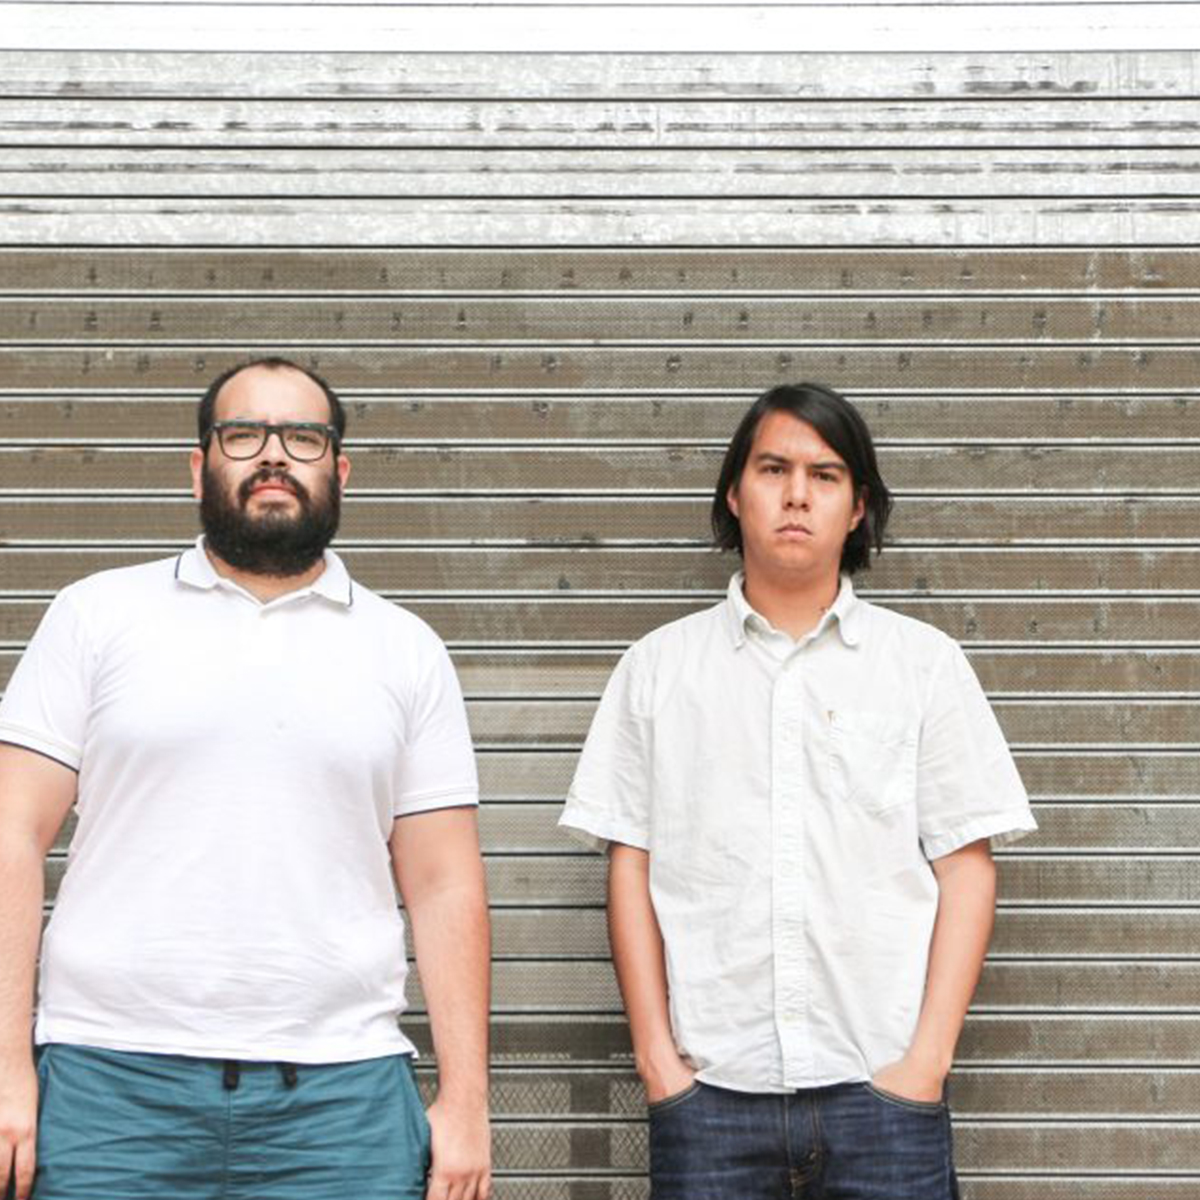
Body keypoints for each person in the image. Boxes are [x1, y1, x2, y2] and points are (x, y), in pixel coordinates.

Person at [0, 357, 491, 1200]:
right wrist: (7, 1065)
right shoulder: (96, 616)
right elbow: (11, 832)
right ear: (201, 467)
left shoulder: (406, 649)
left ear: (338, 471)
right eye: (243, 434)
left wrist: (468, 1102)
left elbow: (444, 883)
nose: (273, 455)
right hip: (109, 1088)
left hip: (342, 1099)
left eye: (302, 437)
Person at [559, 382, 1036, 1199]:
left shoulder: (922, 666)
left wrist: (926, 1063)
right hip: (710, 1099)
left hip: (882, 1098)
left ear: (857, 508)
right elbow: (629, 864)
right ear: (734, 494)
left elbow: (967, 868)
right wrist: (656, 1062)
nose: (795, 494)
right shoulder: (658, 669)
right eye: (773, 468)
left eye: (825, 474)